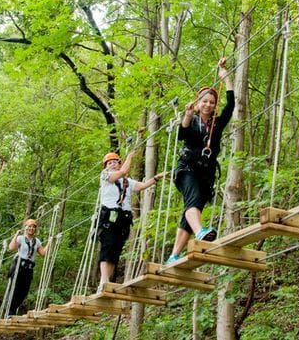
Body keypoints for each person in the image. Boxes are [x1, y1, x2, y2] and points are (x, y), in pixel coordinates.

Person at [165, 58, 234, 265]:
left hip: (206, 173)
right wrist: (186, 115)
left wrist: (225, 75)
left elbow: (231, 104)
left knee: (191, 211)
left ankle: (174, 255)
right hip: (187, 169)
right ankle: (201, 232)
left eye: (212, 102)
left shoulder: (217, 123)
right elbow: (181, 133)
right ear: (198, 103)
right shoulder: (192, 120)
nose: (208, 104)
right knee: (193, 201)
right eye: (204, 101)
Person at [96, 150, 167, 292]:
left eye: (114, 162)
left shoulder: (127, 182)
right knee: (107, 247)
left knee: (115, 251)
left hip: (123, 218)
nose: (111, 165)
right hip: (109, 216)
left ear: (119, 163)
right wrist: (130, 157)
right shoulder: (105, 175)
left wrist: (156, 178)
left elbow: (141, 186)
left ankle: (107, 282)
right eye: (109, 163)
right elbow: (122, 172)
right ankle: (103, 281)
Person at [6, 218, 48, 316]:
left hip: (28, 269)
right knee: (15, 289)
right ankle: (10, 311)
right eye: (29, 226)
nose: (31, 228)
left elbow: (43, 253)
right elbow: (11, 248)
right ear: (25, 227)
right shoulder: (20, 238)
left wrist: (50, 242)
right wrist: (16, 235)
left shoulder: (36, 241)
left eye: (33, 227)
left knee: (24, 291)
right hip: (18, 266)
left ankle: (14, 309)